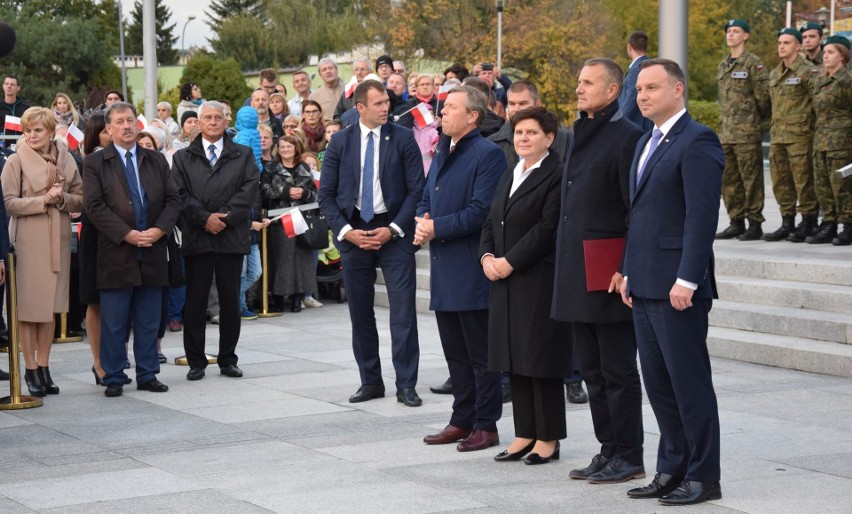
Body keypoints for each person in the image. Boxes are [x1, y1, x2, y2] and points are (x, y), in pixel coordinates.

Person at [619, 58, 724, 506]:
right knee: (659, 384)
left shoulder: (697, 140)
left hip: (677, 287)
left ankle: (704, 475)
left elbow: (701, 218)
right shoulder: (646, 140)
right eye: (639, 89)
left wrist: (688, 278)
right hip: (643, 283)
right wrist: (627, 270)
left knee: (688, 383)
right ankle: (671, 467)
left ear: (678, 90)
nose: (642, 96)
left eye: (652, 88)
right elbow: (638, 215)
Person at [551, 58, 646, 483]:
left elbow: (635, 210)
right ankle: (608, 449)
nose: (579, 88)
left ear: (612, 91)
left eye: (588, 82)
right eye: (578, 80)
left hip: (608, 271)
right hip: (576, 269)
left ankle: (630, 453)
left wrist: (625, 266)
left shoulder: (628, 137)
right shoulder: (576, 134)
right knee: (590, 369)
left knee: (617, 370)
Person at [318, 79, 425, 407]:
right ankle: (370, 381)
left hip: (393, 232)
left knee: (403, 312)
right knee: (361, 313)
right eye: (378, 103)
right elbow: (326, 194)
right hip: (354, 233)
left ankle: (406, 384)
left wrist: (393, 229)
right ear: (359, 107)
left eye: (387, 103)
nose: (385, 108)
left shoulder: (403, 138)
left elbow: (416, 190)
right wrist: (346, 231)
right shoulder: (340, 142)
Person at [416, 85, 506, 451]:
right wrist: (423, 219)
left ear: (473, 115)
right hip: (443, 264)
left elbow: (481, 211)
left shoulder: (488, 155)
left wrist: (437, 227)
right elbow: (427, 194)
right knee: (455, 351)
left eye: (451, 107)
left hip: (470, 266)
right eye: (442, 107)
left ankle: (486, 425)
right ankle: (461, 418)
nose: (442, 113)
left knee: (480, 354)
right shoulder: (442, 147)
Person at [481, 106, 568, 464]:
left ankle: (548, 438)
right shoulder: (511, 172)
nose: (523, 139)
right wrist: (487, 257)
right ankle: (524, 433)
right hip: (502, 277)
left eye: (531, 133)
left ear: (549, 139)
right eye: (519, 133)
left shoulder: (556, 174)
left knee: (539, 357)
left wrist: (509, 261)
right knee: (513, 356)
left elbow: (546, 229)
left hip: (535, 277)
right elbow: (491, 219)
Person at [83, 102, 180, 397]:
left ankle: (148, 373)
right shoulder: (95, 163)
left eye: (130, 121)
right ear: (108, 129)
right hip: (116, 251)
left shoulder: (156, 160)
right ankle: (113, 376)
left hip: (152, 249)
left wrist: (159, 230)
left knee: (149, 318)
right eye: (120, 122)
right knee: (114, 320)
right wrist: (126, 234)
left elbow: (174, 200)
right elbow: (94, 206)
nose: (126, 126)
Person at [172, 101, 259, 381]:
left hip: (230, 236)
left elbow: (248, 191)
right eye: (207, 117)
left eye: (217, 117)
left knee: (230, 300)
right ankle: (196, 360)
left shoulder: (242, 154)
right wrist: (203, 218)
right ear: (198, 122)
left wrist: (225, 217)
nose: (212, 122)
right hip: (198, 236)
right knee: (195, 301)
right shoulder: (182, 157)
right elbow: (179, 194)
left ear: (225, 121)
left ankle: (227, 359)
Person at [2, 107, 84, 396]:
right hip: (28, 239)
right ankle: (30, 368)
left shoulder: (65, 158)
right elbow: (8, 204)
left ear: (50, 131)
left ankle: (45, 366)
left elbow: (80, 198)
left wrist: (61, 199)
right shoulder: (15, 160)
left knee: (50, 308)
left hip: (57, 238)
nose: (32, 135)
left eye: (37, 130)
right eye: (27, 130)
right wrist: (42, 200)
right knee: (29, 309)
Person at [716, 19, 771, 241]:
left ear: (745, 36)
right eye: (728, 31)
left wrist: (753, 121)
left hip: (747, 132)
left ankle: (754, 223)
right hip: (726, 133)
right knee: (730, 180)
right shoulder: (723, 65)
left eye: (736, 31)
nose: (730, 35)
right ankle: (735, 221)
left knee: (752, 180)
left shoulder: (753, 64)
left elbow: (764, 100)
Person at [763, 28, 819, 243]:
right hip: (778, 135)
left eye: (787, 42)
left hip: (800, 136)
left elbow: (818, 103)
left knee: (803, 180)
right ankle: (787, 222)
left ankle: (808, 221)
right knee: (781, 181)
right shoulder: (775, 73)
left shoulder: (807, 71)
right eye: (779, 42)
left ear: (798, 46)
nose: (781, 46)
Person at [261, 135, 318, 312]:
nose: (285, 150)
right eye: (283, 147)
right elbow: (263, 190)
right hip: (279, 221)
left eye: (289, 147)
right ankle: (278, 299)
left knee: (300, 261)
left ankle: (297, 298)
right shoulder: (270, 168)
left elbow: (316, 194)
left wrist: (304, 193)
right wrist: (285, 191)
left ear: (296, 148)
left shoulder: (304, 167)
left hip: (301, 219)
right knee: (281, 261)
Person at [810, 36, 852, 245]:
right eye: (824, 52)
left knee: (841, 186)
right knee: (823, 186)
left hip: (842, 143)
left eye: (830, 52)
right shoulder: (820, 81)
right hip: (821, 142)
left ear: (842, 56)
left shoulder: (847, 80)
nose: (825, 56)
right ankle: (829, 224)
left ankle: (848, 225)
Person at [488, 80, 571, 168]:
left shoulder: (565, 140)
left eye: (522, 103)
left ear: (538, 104)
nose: (516, 109)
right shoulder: (492, 143)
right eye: (512, 104)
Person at [619, 31, 653, 131]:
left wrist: (618, 124)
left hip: (635, 127)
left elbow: (630, 100)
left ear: (629, 47)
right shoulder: (650, 65)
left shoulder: (636, 70)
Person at [310, 58, 345, 124]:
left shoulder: (348, 89)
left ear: (336, 70)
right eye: (324, 70)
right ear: (320, 75)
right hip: (327, 132)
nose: (328, 71)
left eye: (331, 68)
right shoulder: (314, 97)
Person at [1, 74, 29, 150]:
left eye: (12, 84)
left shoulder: (25, 106)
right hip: (3, 148)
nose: (9, 86)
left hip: (24, 147)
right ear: (3, 86)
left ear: (18, 88)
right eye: (7, 84)